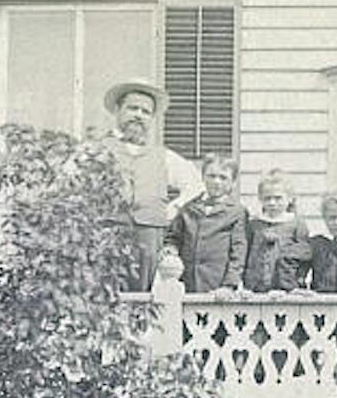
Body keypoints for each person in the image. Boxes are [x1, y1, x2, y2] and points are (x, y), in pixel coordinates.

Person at [101, 79, 205, 291]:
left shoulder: (163, 156)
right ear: (118, 111)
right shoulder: (99, 150)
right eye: (132, 108)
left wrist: (174, 207)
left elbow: (196, 185)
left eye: (145, 111)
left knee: (142, 294)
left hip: (148, 233)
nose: (139, 115)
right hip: (107, 230)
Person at [168, 153, 249, 292]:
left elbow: (239, 252)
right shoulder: (188, 209)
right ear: (203, 177)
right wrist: (170, 250)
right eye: (212, 176)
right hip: (187, 281)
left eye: (223, 177)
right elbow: (173, 238)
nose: (217, 182)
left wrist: (229, 284)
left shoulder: (237, 212)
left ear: (233, 183)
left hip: (218, 284)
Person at [242, 170, 311, 293]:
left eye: (278, 198)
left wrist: (296, 283)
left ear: (290, 199)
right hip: (255, 287)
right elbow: (245, 254)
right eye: (267, 198)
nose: (272, 203)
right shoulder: (254, 224)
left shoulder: (297, 224)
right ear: (260, 198)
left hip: (286, 288)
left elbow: (304, 257)